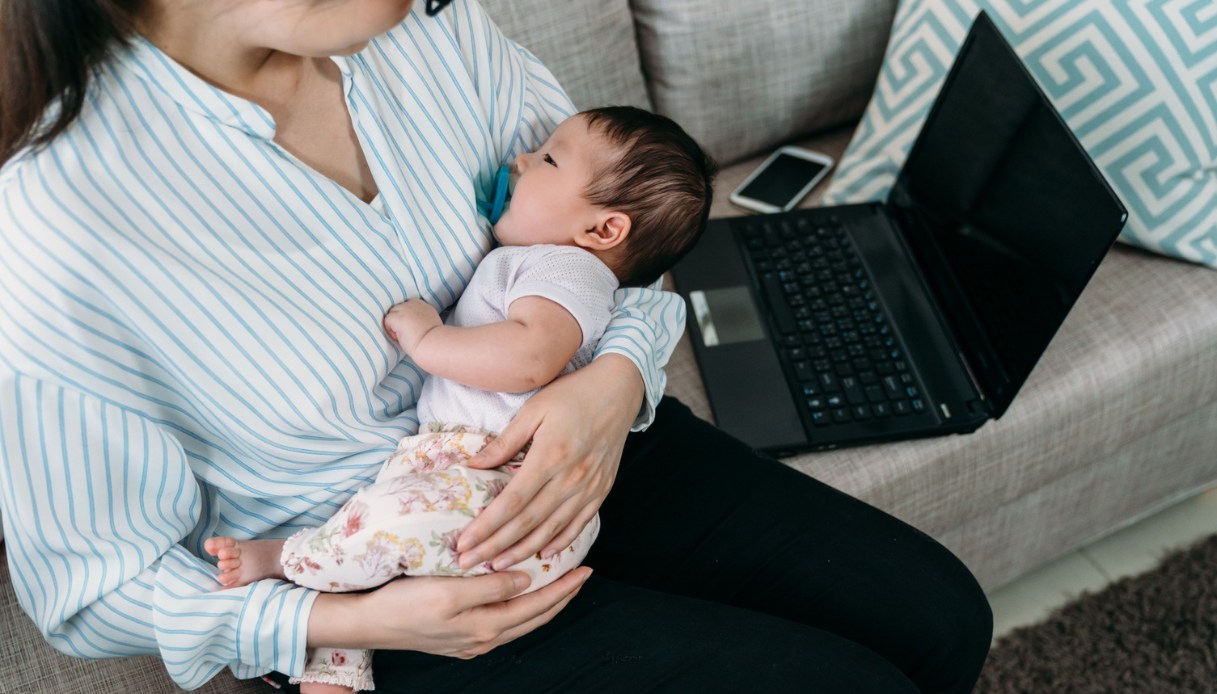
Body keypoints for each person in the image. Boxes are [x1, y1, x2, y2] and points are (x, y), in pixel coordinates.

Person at [0, 1, 993, 692]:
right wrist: (352, 624)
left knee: (938, 616)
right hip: (387, 572)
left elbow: (612, 242)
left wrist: (611, 384)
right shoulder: (55, 217)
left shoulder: (430, 29)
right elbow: (92, 588)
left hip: (582, 447)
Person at [203, 104, 716, 693]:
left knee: (385, 524)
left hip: (496, 480)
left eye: (547, 158)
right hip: (470, 483)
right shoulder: (552, 265)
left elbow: (528, 360)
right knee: (385, 545)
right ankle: (332, 673)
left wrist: (428, 339)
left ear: (603, 230)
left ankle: (286, 560)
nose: (519, 161)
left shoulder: (566, 269)